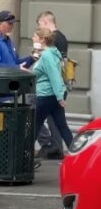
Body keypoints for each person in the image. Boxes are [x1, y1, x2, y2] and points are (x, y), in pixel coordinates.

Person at [27, 27, 73, 152]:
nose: (32, 38)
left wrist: (60, 97)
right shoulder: (52, 52)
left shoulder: (47, 55)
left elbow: (54, 75)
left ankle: (24, 156)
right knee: (62, 126)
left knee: (34, 127)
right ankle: (77, 154)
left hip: (46, 96)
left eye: (35, 37)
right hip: (53, 96)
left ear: (42, 39)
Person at [35, 11, 68, 159]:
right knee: (60, 123)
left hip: (49, 92)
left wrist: (60, 95)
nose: (39, 28)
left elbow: (54, 74)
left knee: (35, 124)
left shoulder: (50, 50)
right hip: (56, 91)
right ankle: (63, 150)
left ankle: (24, 153)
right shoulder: (58, 43)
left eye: (40, 25)